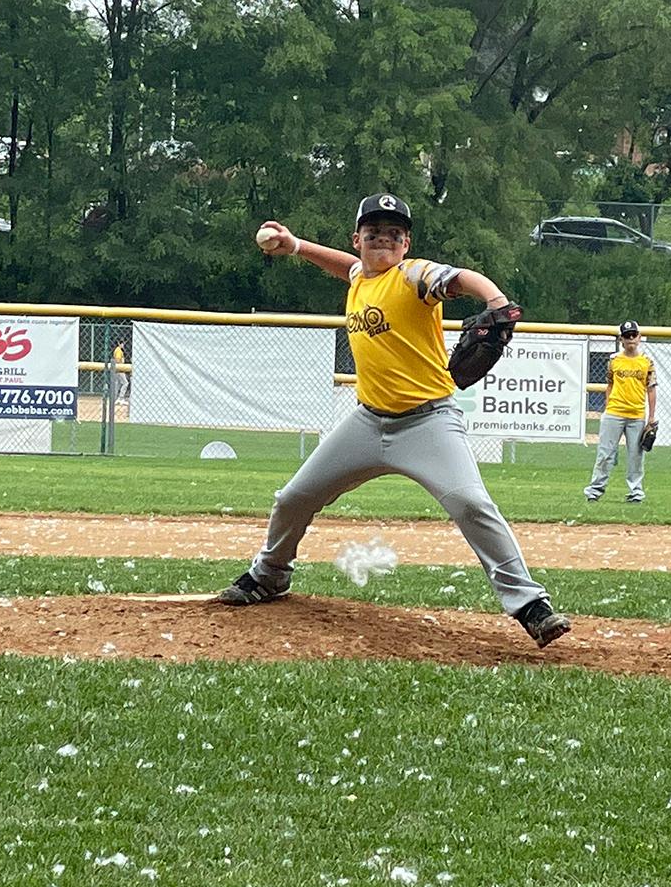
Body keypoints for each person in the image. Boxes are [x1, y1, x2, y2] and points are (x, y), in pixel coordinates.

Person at [223, 195, 571, 647]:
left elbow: (460, 279)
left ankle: (530, 605)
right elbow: (347, 267)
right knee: (293, 498)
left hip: (429, 424)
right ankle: (269, 575)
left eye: (394, 234)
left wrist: (495, 299)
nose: (383, 240)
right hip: (367, 423)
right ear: (358, 240)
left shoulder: (414, 275)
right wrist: (296, 246)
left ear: (406, 244)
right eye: (373, 234)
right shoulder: (360, 278)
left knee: (471, 503)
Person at [584, 320, 657, 503]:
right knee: (605, 454)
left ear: (639, 337)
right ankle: (594, 491)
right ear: (621, 339)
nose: (631, 338)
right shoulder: (614, 360)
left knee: (635, 457)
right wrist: (607, 407)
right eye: (627, 335)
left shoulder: (646, 362)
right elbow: (610, 385)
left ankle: (636, 492)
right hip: (614, 412)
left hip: (636, 415)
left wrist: (651, 417)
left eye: (633, 335)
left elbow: (651, 389)